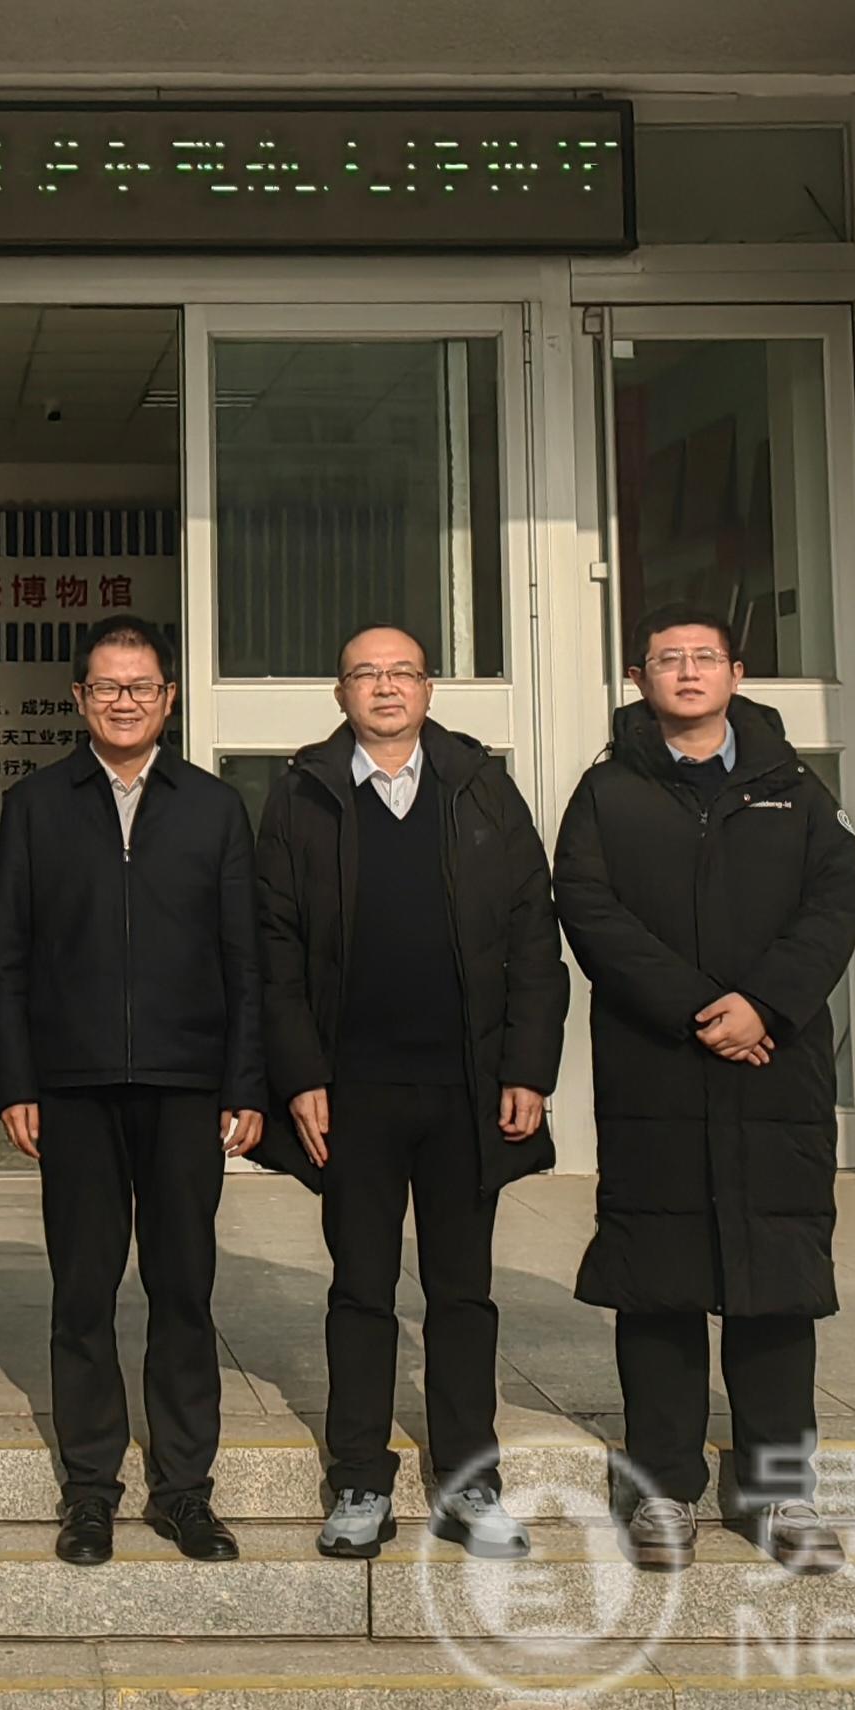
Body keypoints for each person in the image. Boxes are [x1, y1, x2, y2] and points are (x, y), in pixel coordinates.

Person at [552, 606, 855, 1575]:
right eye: (667, 660)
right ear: (639, 678)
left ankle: (778, 1490)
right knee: (659, 1286)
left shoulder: (793, 788)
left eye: (703, 658)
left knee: (777, 1290)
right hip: (659, 1069)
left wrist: (763, 1004)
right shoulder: (608, 791)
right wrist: (699, 1008)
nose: (686, 672)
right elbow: (588, 909)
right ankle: (662, 1489)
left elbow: (836, 901)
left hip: (774, 1069)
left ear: (734, 673)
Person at [253, 627, 565, 1562]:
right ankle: (359, 1476)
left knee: (463, 1293)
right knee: (360, 1288)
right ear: (339, 692)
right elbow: (273, 949)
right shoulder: (303, 794)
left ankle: (471, 1481)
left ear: (428, 689)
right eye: (366, 674)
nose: (385, 688)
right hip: (352, 1093)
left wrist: (528, 1068)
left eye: (402, 673)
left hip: (468, 1089)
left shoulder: (482, 788)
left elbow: (534, 938)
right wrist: (300, 1074)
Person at [0, 614, 265, 1566]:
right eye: (106, 687)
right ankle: (90, 1491)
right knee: (83, 1291)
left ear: (169, 698)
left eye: (141, 686)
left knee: (183, 1288)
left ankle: (184, 1490)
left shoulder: (214, 808)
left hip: (187, 1085)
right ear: (79, 698)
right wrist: (15, 1082)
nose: (124, 701)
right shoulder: (36, 805)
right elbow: (6, 957)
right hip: (73, 1086)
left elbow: (245, 959)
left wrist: (245, 1081)